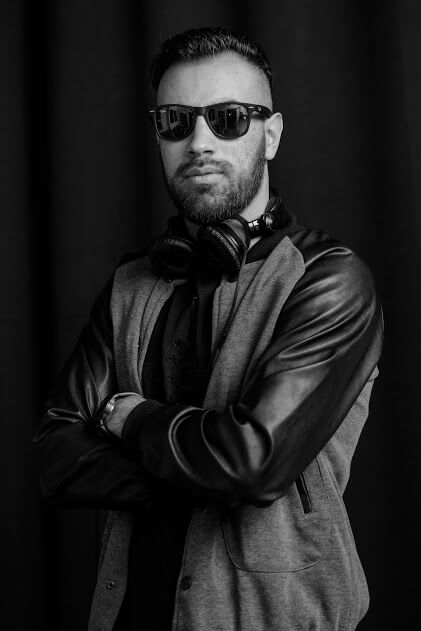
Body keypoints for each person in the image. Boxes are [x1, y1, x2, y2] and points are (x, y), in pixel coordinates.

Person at [34, 26, 383, 631]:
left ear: (270, 134)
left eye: (228, 119)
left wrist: (128, 419)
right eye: (176, 121)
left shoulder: (327, 279)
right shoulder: (129, 285)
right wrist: (206, 474)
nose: (199, 142)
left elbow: (252, 461)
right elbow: (57, 458)